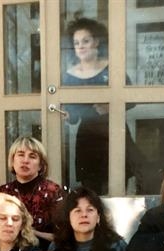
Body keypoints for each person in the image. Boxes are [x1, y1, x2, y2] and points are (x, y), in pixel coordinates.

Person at [61, 17, 141, 193]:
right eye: (76, 43)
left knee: (118, 183)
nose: (80, 46)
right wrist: (67, 115)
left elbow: (131, 99)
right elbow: (72, 116)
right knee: (91, 189)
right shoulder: (69, 77)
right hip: (88, 137)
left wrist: (110, 106)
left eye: (85, 41)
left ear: (96, 42)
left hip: (113, 131)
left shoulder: (112, 69)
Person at [0, 136, 64, 249]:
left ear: (41, 165)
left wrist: (33, 233)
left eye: (32, 156)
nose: (25, 160)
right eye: (21, 155)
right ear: (12, 161)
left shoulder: (53, 191)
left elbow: (63, 237)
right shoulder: (2, 193)